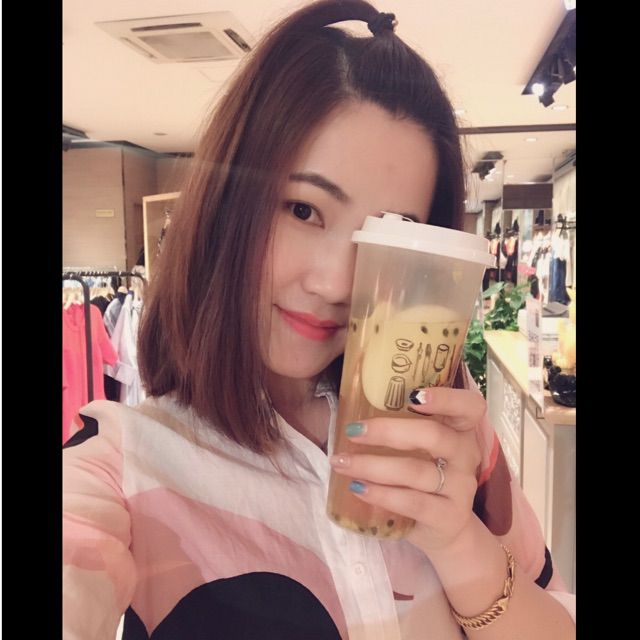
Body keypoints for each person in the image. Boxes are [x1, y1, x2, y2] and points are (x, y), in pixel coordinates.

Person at [63, 1, 576, 637]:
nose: (336, 284)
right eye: (303, 210)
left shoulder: (445, 431)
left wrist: (458, 543)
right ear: (229, 206)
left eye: (390, 233)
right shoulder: (122, 464)